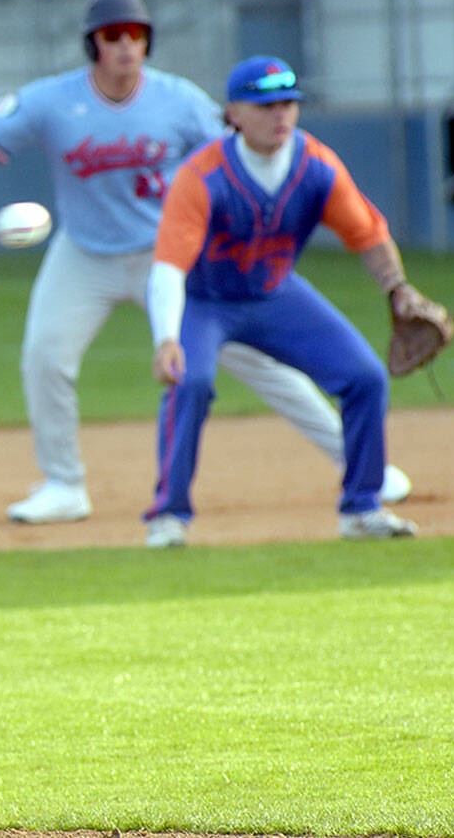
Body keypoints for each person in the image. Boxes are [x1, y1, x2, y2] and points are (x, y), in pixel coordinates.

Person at [0, 0, 411, 524]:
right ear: (94, 45)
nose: (125, 46)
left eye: (136, 35)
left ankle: (361, 462)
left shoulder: (178, 99)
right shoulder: (53, 98)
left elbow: (237, 145)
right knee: (45, 355)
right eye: (113, 36)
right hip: (84, 253)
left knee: (258, 362)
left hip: (173, 255)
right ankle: (64, 485)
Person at [141, 54, 418, 548]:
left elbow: (367, 234)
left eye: (288, 103)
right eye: (265, 104)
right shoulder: (202, 176)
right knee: (193, 382)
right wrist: (166, 338)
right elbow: (168, 267)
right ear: (234, 114)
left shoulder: (317, 166)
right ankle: (169, 515)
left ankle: (361, 509)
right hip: (205, 300)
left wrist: (397, 289)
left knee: (365, 378)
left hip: (276, 293)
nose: (280, 115)